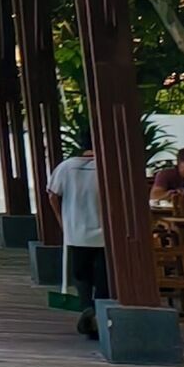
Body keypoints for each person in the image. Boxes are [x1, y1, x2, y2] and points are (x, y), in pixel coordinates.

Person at [50, 133, 107, 338]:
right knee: (103, 276)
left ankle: (86, 306)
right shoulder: (106, 168)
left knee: (81, 274)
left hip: (76, 230)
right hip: (103, 232)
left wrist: (61, 220)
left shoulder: (66, 167)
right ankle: (99, 316)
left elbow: (52, 194)